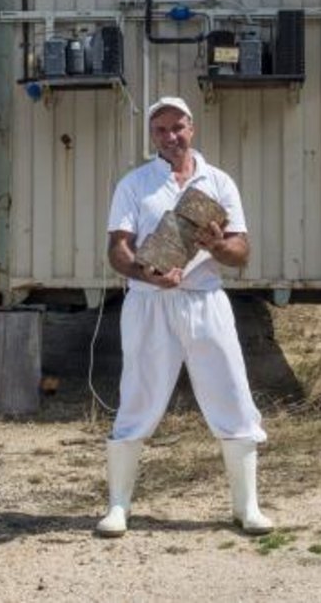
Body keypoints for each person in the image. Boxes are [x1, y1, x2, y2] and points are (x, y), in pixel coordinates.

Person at [96, 96, 272, 538]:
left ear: (191, 128)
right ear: (152, 136)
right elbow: (118, 247)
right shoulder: (135, 184)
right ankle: (118, 507)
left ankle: (246, 506)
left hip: (204, 301)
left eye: (178, 127)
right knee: (137, 395)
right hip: (149, 302)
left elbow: (241, 252)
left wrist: (216, 246)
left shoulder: (219, 183)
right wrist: (146, 273)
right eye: (160, 130)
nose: (170, 137)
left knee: (231, 392)